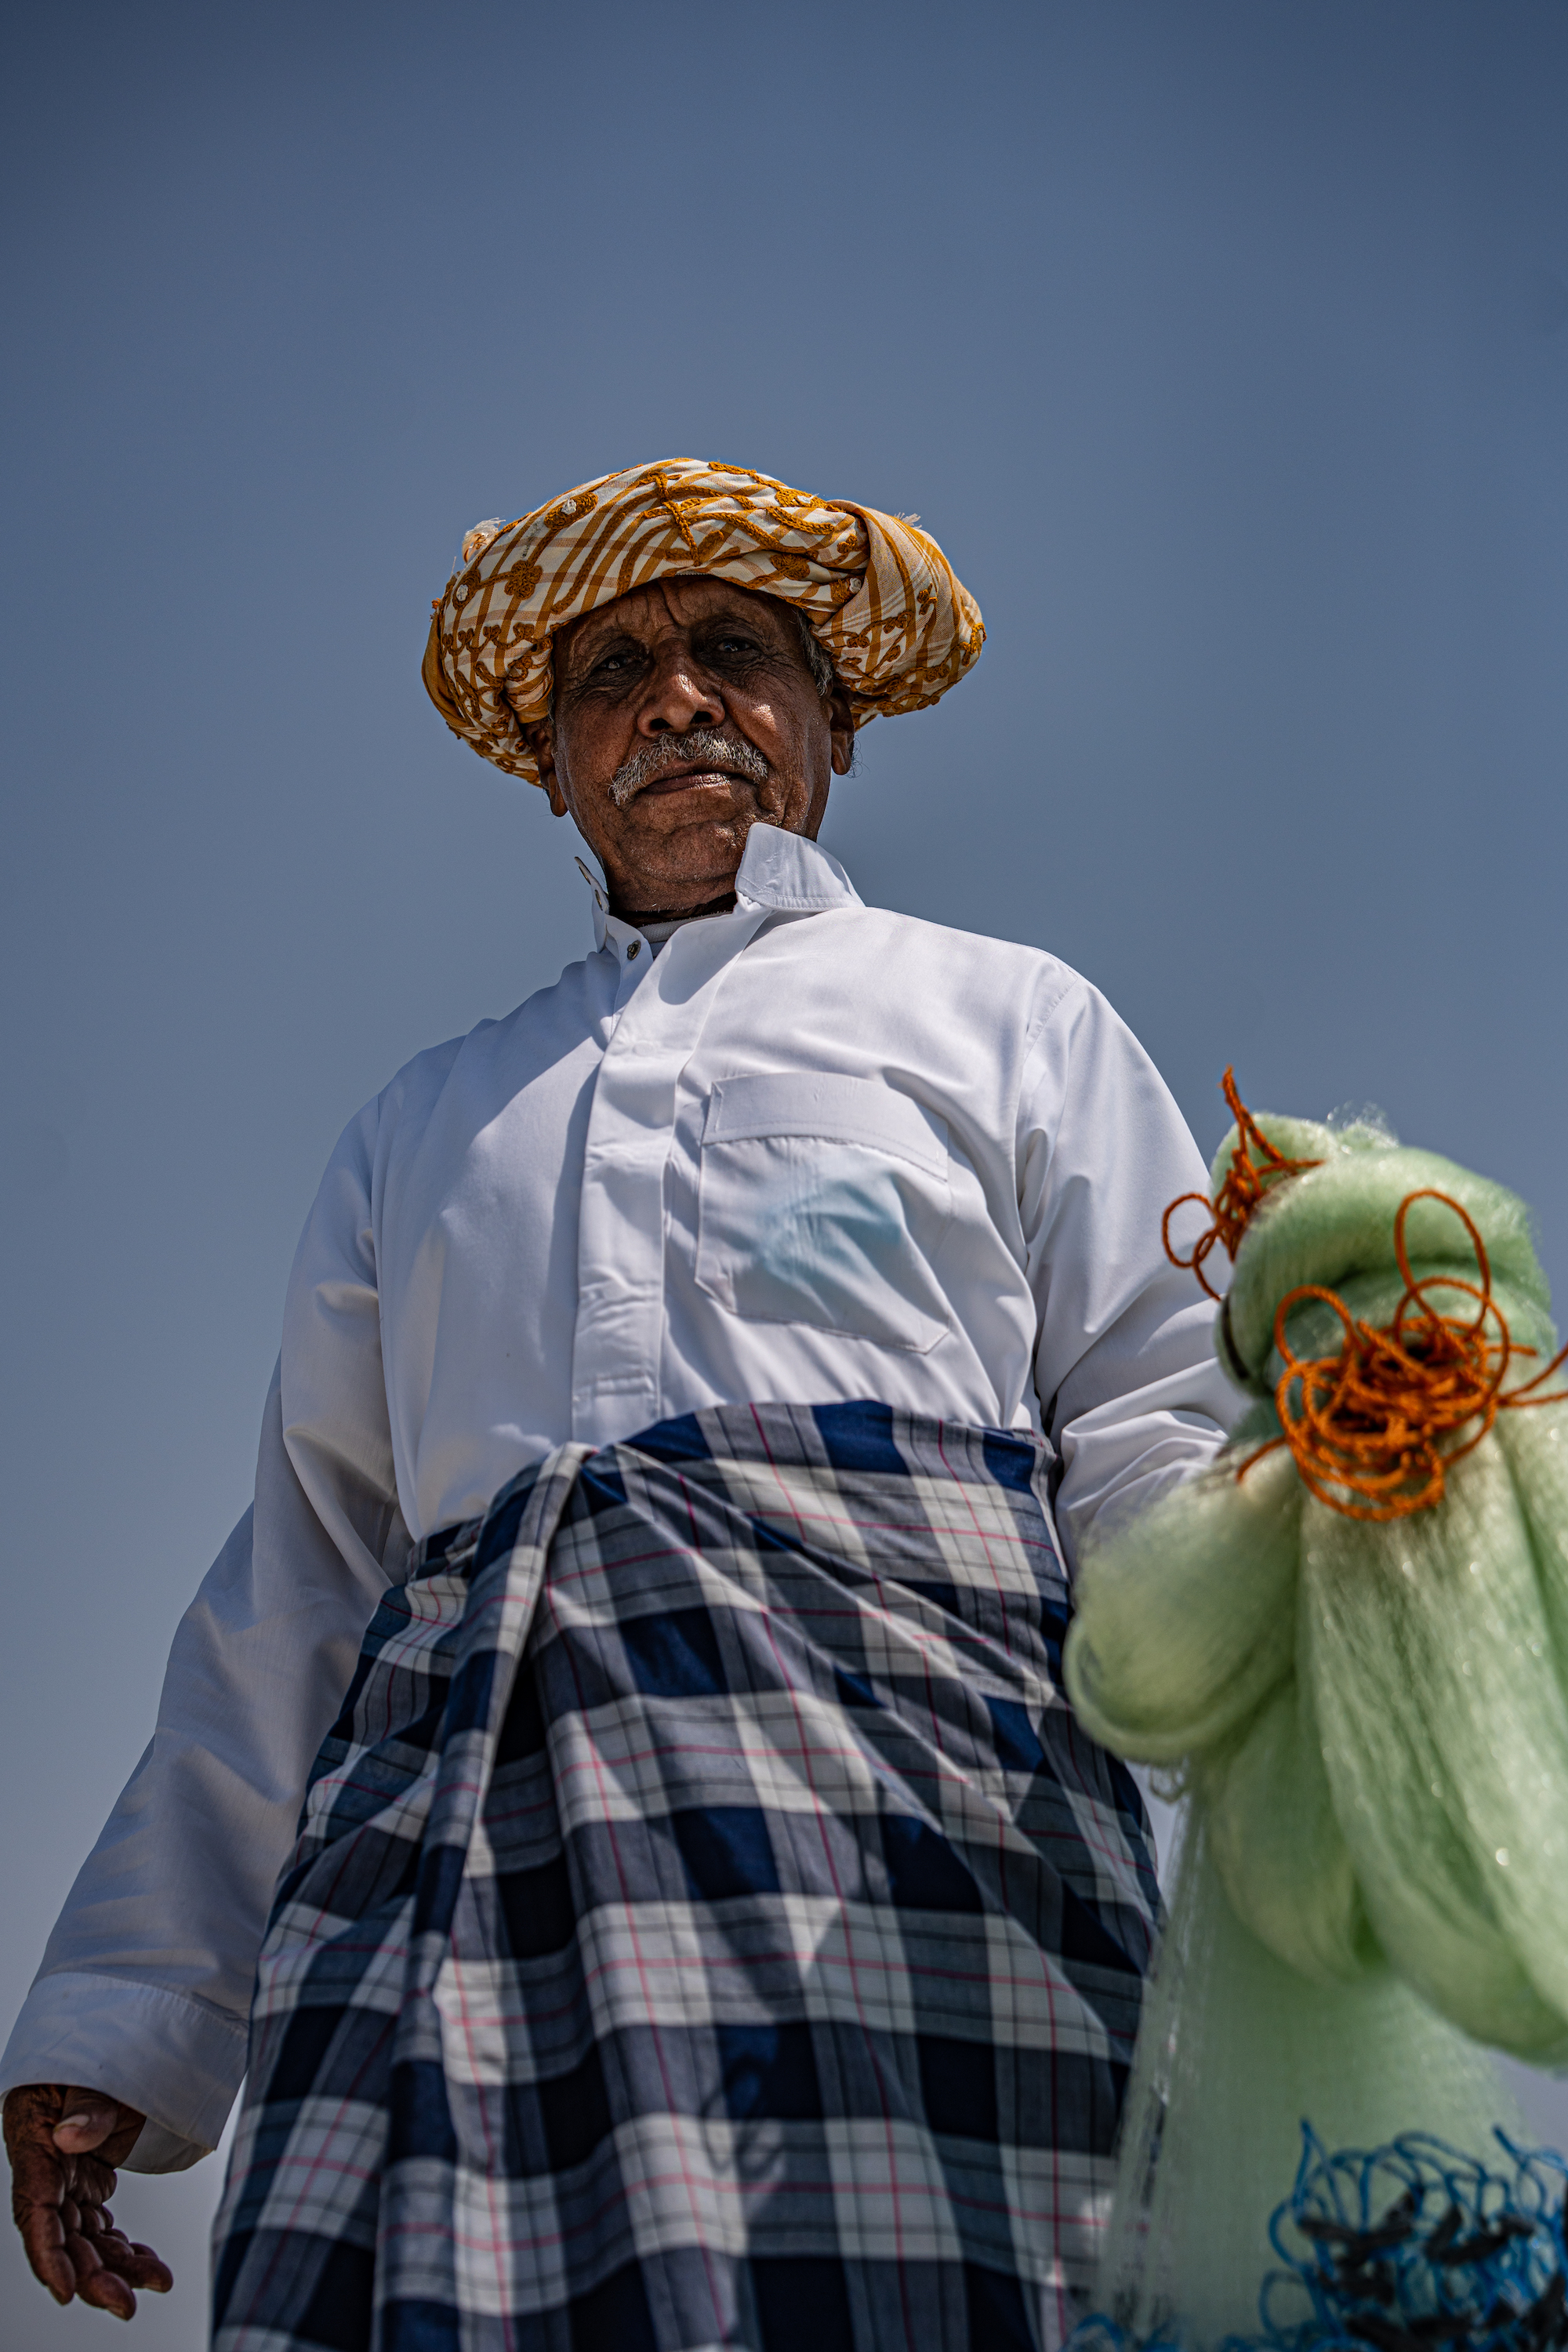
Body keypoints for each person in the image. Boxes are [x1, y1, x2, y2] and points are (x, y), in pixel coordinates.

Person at [2, 460, 1234, 2350]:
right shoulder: (427, 1121)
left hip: (922, 1860)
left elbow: (1156, 1415)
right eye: (614, 676)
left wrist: (1273, 1711)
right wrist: (120, 2016)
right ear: (555, 769)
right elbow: (304, 1585)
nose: (675, 700)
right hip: (450, 1897)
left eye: (733, 654)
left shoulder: (1006, 1018)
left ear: (833, 727)